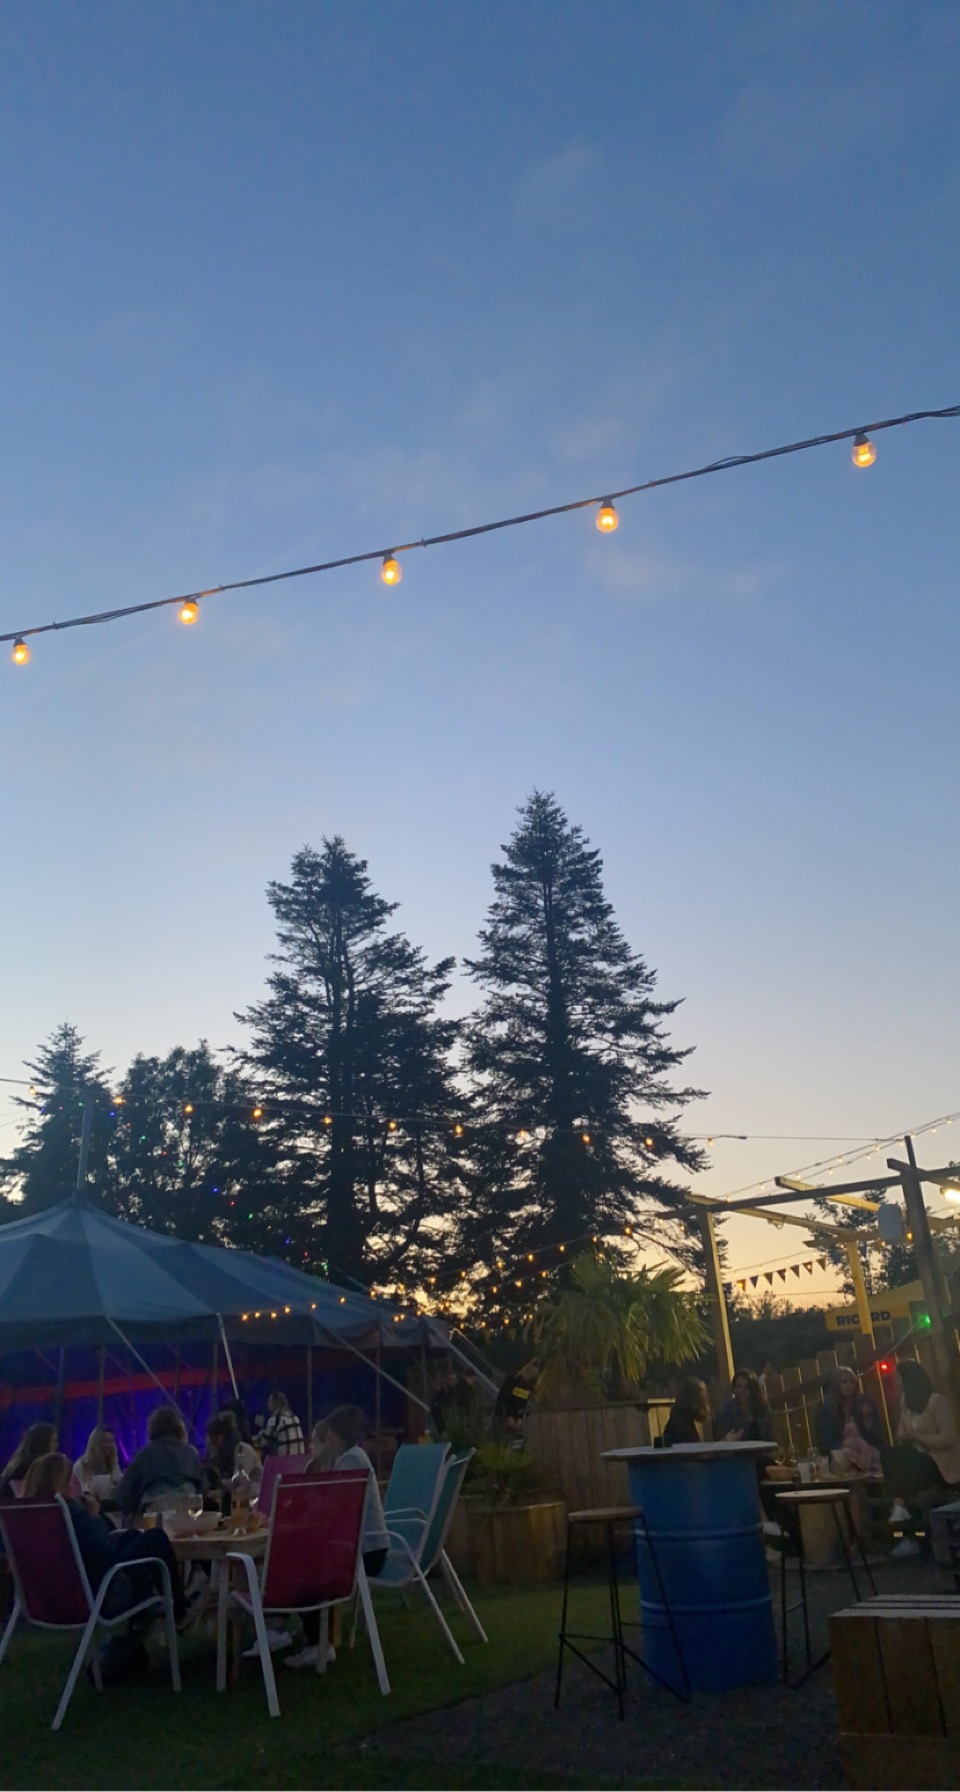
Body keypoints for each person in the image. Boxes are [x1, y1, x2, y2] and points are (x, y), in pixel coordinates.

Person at [21, 1452, 196, 1628]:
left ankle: (141, 1625)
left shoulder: (31, 1518)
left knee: (132, 1536)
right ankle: (179, 1612)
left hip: (52, 1598)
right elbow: (104, 1555)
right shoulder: (71, 1513)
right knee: (156, 1538)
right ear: (60, 1483)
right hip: (103, 1596)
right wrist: (94, 1517)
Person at [882, 1360, 960, 1557]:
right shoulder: (905, 1403)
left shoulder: (936, 1402)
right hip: (916, 1460)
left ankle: (905, 1525)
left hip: (940, 1462)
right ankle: (901, 1508)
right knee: (891, 1454)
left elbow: (949, 1438)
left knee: (911, 1469)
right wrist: (905, 1438)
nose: (896, 1384)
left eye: (898, 1379)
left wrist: (918, 1438)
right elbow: (901, 1433)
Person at [116, 1404, 202, 1518]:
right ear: (179, 1427)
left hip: (155, 1516)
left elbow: (125, 1493)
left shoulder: (144, 1455)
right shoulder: (191, 1453)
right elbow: (202, 1487)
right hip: (189, 1515)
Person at [813, 1368, 884, 1476]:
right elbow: (824, 1439)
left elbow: (875, 1436)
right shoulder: (828, 1409)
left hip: (864, 1451)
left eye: (851, 1382)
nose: (848, 1386)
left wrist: (868, 1421)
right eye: (844, 1382)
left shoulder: (864, 1404)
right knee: (842, 1458)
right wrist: (843, 1446)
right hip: (840, 1453)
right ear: (837, 1384)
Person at [202, 1413, 261, 1495]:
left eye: (210, 1437)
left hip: (253, 1498)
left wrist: (218, 1481)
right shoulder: (219, 1456)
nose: (208, 1441)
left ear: (221, 1437)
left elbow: (238, 1483)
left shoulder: (243, 1450)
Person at [0, 1423, 59, 1499]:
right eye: (54, 1441)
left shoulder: (18, 1464)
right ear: (44, 1442)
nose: (56, 1445)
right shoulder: (34, 1468)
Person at [715, 1370, 775, 1444]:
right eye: (738, 1386)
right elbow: (724, 1436)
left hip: (762, 1449)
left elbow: (769, 1436)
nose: (741, 1391)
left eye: (746, 1387)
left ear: (753, 1390)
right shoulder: (727, 1409)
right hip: (738, 1449)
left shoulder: (762, 1407)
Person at [73, 1426, 122, 1502]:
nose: (108, 1445)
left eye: (110, 1441)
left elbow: (120, 1482)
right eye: (104, 1441)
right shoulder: (80, 1466)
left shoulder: (113, 1464)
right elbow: (76, 1493)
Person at [493, 1361, 539, 1437]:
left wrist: (518, 1418)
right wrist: (507, 1416)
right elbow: (503, 1399)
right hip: (503, 1417)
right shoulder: (512, 1380)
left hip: (515, 1419)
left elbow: (522, 1404)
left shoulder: (529, 1386)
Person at [254, 1391, 304, 1457]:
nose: (267, 1404)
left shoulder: (276, 1419)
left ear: (274, 1403)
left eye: (269, 1401)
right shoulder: (294, 1417)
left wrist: (261, 1426)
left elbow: (264, 1442)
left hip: (286, 1460)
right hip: (300, 1459)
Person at [663, 1378, 709, 1446]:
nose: (706, 1403)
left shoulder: (682, 1420)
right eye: (703, 1397)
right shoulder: (682, 1427)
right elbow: (693, 1450)